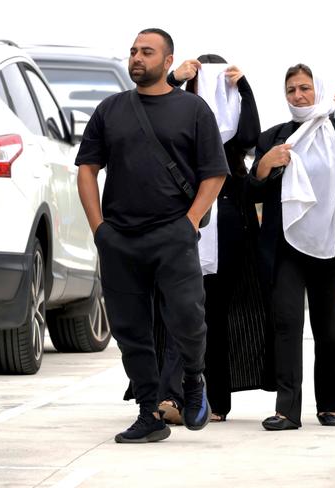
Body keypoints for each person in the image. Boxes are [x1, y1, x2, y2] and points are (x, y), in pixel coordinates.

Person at [76, 28, 228, 443]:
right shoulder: (110, 109)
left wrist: (190, 221)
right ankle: (149, 413)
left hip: (173, 235)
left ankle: (193, 380)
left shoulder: (193, 110)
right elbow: (87, 169)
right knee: (130, 330)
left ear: (167, 61)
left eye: (147, 52)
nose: (137, 58)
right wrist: (99, 229)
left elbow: (214, 173)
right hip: (120, 238)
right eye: (133, 51)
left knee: (187, 318)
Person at [147, 55, 274, 424]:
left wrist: (244, 88)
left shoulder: (234, 133)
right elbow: (152, 114)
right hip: (183, 225)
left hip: (230, 231)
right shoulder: (183, 118)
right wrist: (174, 77)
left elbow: (251, 137)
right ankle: (170, 395)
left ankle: (214, 401)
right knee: (177, 313)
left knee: (215, 317)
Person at [250, 64, 335, 430]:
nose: (299, 96)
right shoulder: (275, 136)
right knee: (287, 323)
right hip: (286, 244)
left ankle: (330, 404)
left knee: (325, 326)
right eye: (291, 90)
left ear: (317, 90)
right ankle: (287, 410)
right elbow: (253, 191)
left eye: (305, 88)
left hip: (332, 243)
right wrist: (265, 166)